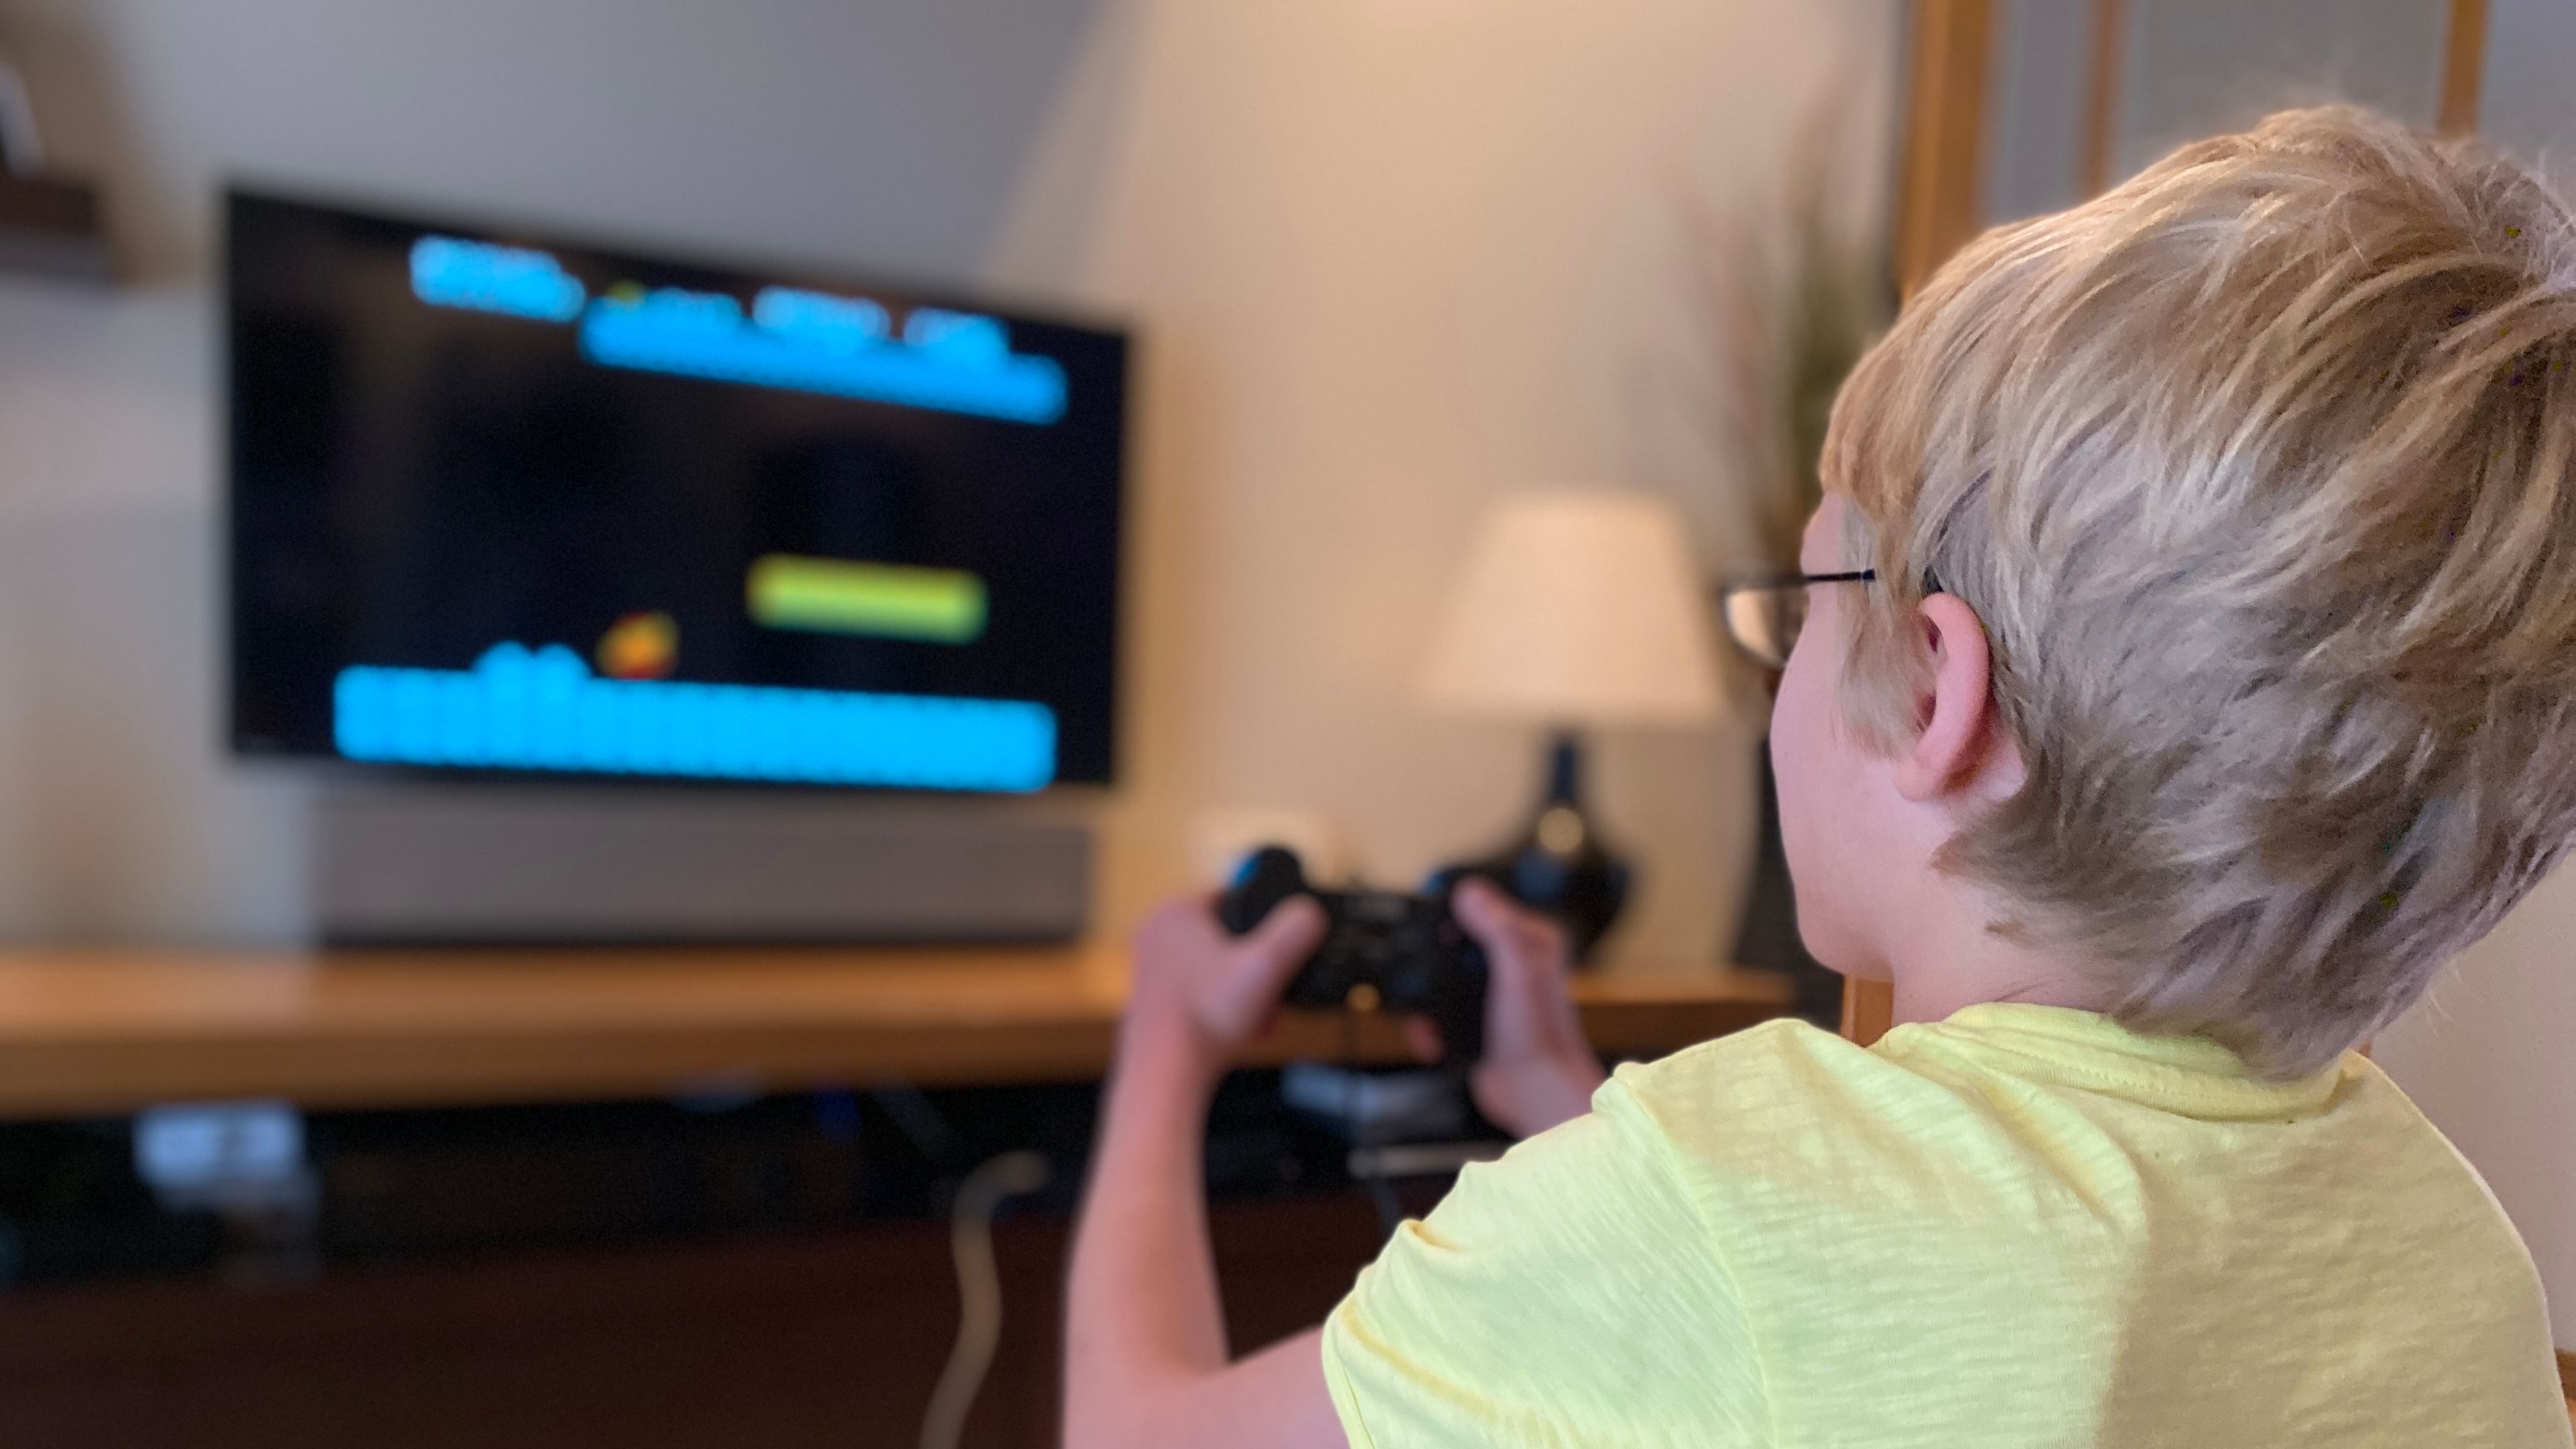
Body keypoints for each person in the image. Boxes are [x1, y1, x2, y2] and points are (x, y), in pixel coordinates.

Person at [1061, 106, 2576, 1448]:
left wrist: (1166, 1053)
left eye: (1800, 610)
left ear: (1936, 692)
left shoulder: (1706, 1210)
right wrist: (1552, 1098)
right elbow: (1831, 1316)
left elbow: (1136, 1433)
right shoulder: (2454, 1252)